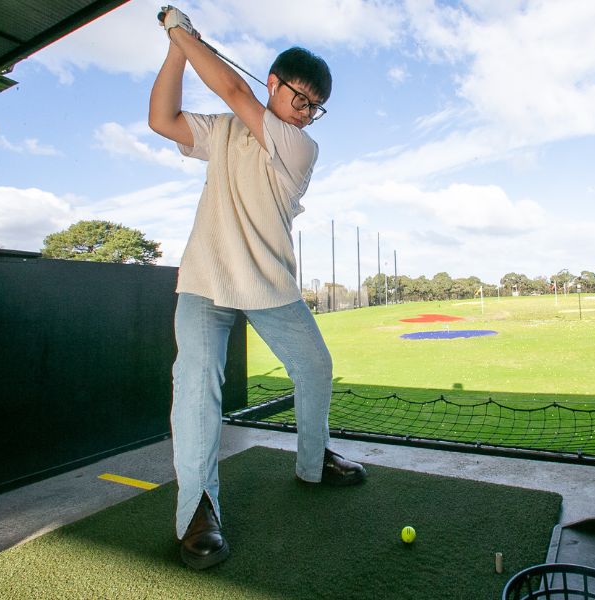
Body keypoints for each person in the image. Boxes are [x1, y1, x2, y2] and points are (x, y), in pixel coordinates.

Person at [148, 5, 366, 570]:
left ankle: (313, 464)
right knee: (197, 384)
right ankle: (198, 510)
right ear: (275, 82)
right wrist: (177, 49)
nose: (308, 112)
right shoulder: (222, 131)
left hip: (270, 285)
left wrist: (181, 31)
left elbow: (230, 87)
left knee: (314, 367)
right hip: (206, 280)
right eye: (301, 99)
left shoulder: (299, 146)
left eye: (317, 107)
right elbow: (161, 118)